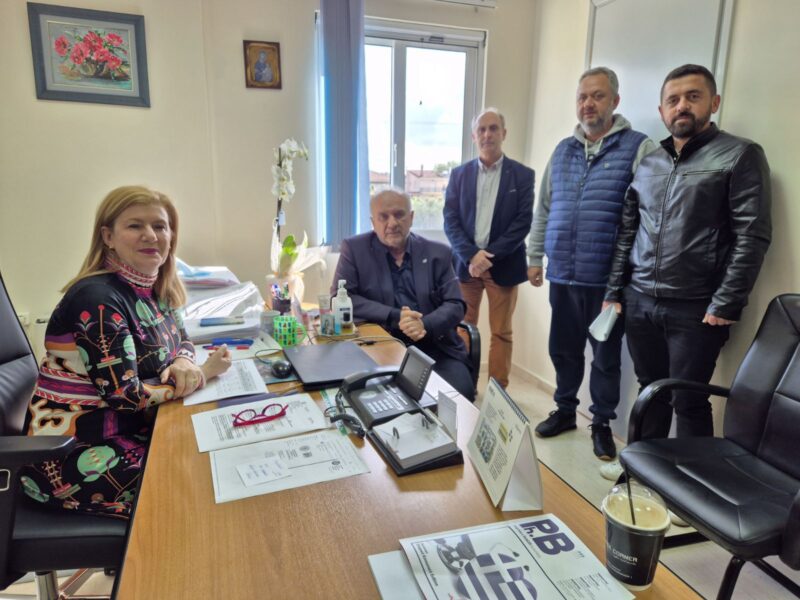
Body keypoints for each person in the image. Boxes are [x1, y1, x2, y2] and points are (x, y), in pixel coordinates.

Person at [21, 186, 232, 518]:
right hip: (73, 454)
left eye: (160, 226)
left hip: (134, 430)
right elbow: (126, 396)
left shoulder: (153, 288)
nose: (151, 235)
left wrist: (184, 360)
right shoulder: (97, 299)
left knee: (219, 444)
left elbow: (182, 338)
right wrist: (203, 373)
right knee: (204, 474)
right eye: (135, 225)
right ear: (108, 236)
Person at [604, 64, 771, 443]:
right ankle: (643, 470)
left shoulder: (740, 155)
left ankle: (688, 478)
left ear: (714, 102)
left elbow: (752, 235)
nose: (682, 106)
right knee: (650, 392)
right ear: (662, 110)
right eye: (673, 100)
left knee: (688, 400)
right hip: (640, 301)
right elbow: (628, 231)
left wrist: (726, 302)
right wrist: (615, 291)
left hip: (696, 308)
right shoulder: (649, 162)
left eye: (693, 97)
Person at [528, 67, 656, 461]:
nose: (588, 104)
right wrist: (534, 255)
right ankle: (565, 410)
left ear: (614, 101)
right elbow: (544, 207)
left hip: (607, 281)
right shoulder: (563, 150)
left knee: (605, 358)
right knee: (563, 350)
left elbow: (649, 216)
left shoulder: (639, 147)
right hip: (563, 274)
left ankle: (601, 423)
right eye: (582, 97)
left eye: (597, 96)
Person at [332, 189, 475, 401]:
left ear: (411, 217)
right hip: (379, 345)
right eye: (383, 217)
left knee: (457, 398)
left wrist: (424, 324)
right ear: (373, 222)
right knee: (368, 399)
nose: (392, 223)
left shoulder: (438, 252)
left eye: (399, 215)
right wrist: (395, 315)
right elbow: (341, 297)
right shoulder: (354, 249)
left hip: (435, 347)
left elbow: (456, 304)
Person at [443, 108, 534, 388]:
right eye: (481, 129)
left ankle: (498, 394)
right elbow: (450, 220)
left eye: (493, 128)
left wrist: (487, 257)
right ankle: (464, 385)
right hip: (466, 267)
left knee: (502, 333)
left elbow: (522, 223)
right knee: (462, 328)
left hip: (503, 267)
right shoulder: (459, 175)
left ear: (503, 133)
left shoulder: (523, 175)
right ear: (474, 136)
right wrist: (472, 255)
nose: (487, 134)